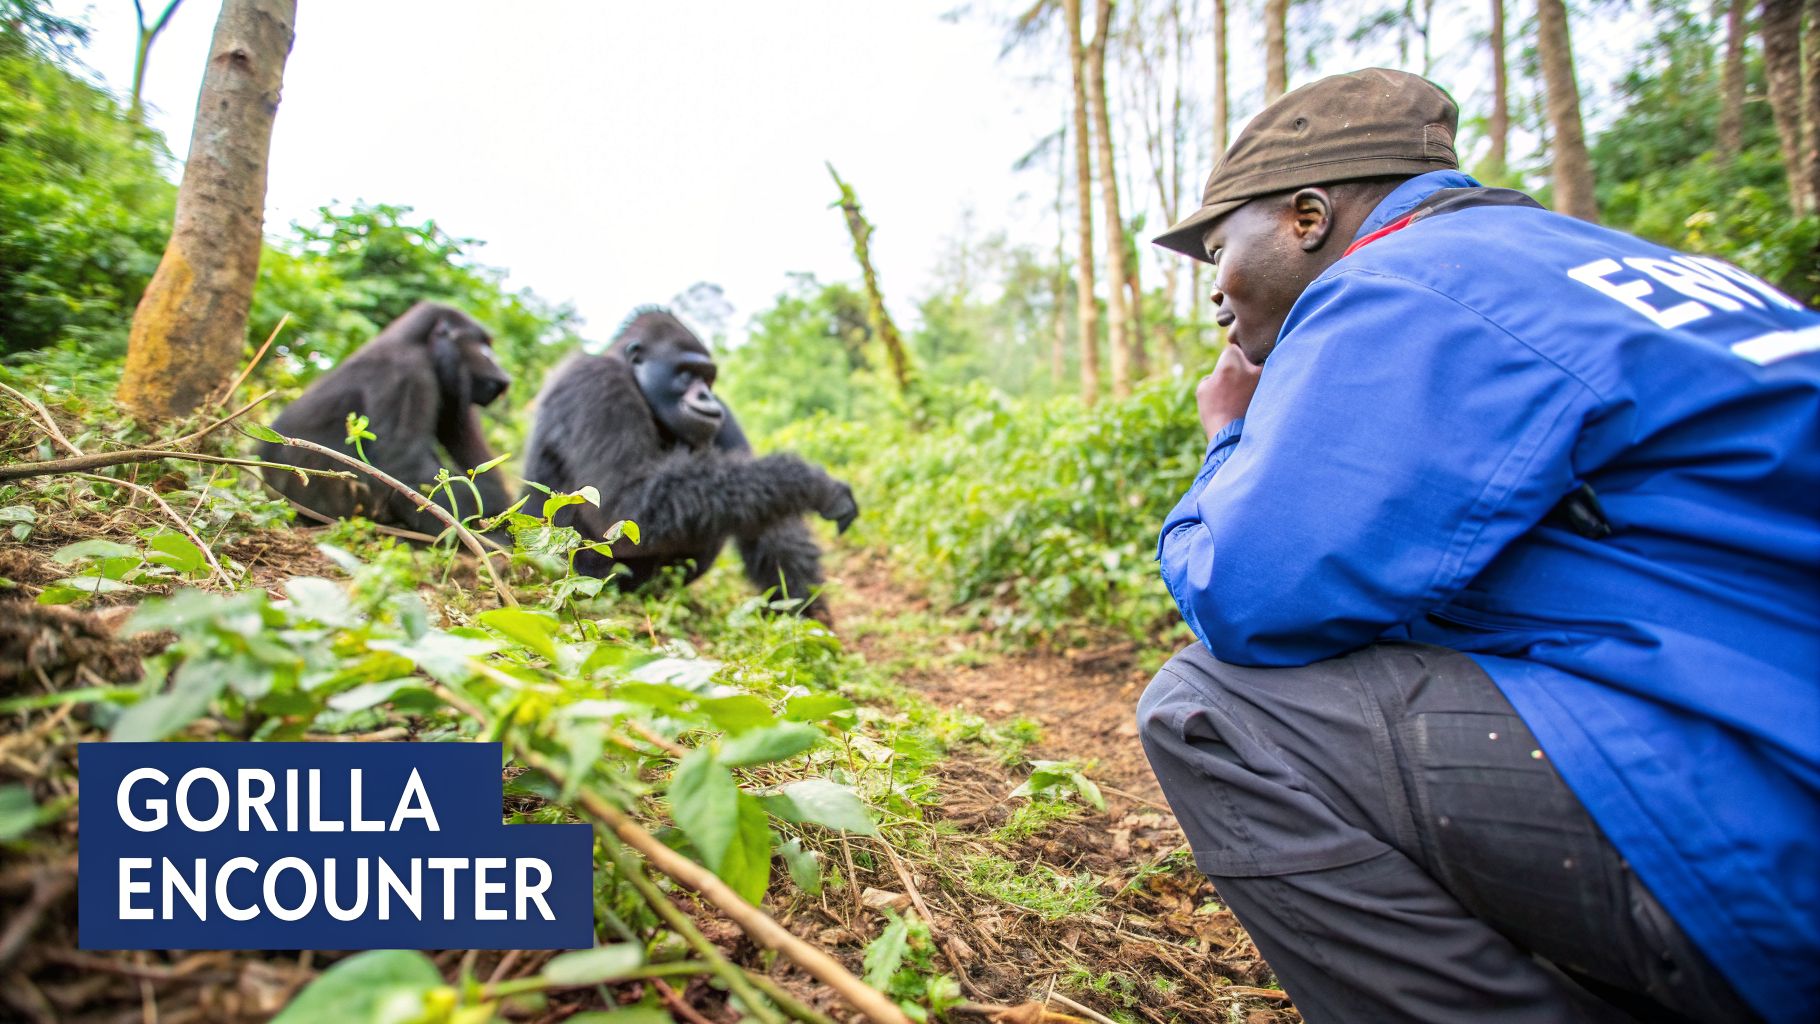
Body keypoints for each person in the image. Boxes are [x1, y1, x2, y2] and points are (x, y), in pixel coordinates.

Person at [1138, 67, 1817, 1024]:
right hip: (1768, 718)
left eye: (1217, 248)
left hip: (1767, 825)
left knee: (1210, 710)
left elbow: (1248, 590)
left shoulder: (1402, 279)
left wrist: (1231, 437)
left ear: (1304, 217)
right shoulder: (1609, 266)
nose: (1214, 292)